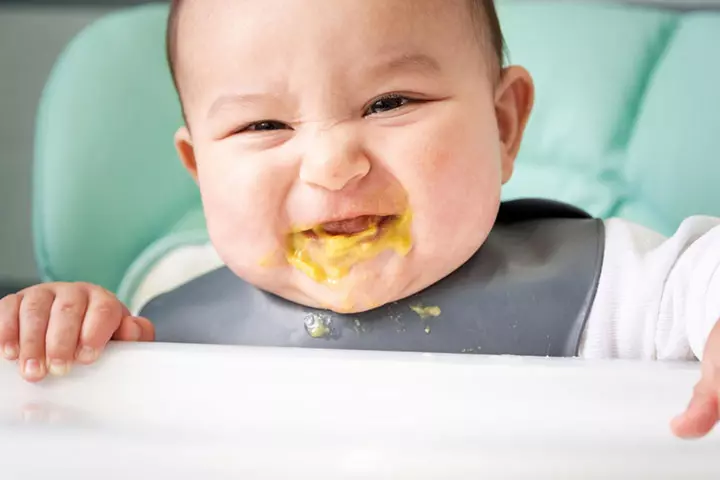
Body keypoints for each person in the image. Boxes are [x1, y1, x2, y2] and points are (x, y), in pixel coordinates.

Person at [1, 0, 719, 440]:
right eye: (263, 123)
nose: (333, 164)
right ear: (200, 170)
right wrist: (71, 331)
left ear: (503, 126)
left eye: (391, 103)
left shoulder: (609, 286)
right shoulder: (170, 314)